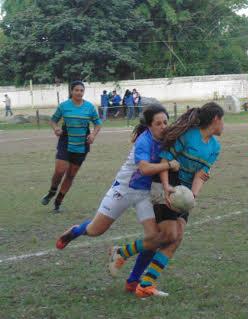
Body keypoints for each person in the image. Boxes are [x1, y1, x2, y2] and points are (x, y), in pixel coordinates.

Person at [115, 102, 224, 299]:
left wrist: (193, 196)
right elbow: (165, 161)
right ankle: (124, 254)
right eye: (222, 120)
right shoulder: (189, 135)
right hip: (167, 184)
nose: (223, 125)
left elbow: (201, 173)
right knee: (169, 234)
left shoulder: (216, 147)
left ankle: (145, 283)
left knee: (176, 237)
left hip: (184, 192)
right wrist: (166, 186)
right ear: (216, 119)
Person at [55, 105, 182, 269]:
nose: (163, 127)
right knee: (96, 230)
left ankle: (133, 281)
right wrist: (169, 165)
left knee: (154, 238)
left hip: (145, 194)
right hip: (124, 190)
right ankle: (76, 231)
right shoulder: (144, 141)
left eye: (165, 122)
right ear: (150, 126)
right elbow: (144, 169)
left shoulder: (166, 140)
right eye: (158, 123)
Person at [41, 81, 102, 212]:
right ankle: (52, 191)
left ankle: (58, 203)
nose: (79, 92)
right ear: (71, 91)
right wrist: (56, 129)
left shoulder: (90, 107)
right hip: (66, 142)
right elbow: (53, 120)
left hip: (82, 144)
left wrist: (93, 135)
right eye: (76, 90)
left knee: (71, 175)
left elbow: (98, 123)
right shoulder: (64, 106)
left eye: (81, 90)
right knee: (59, 171)